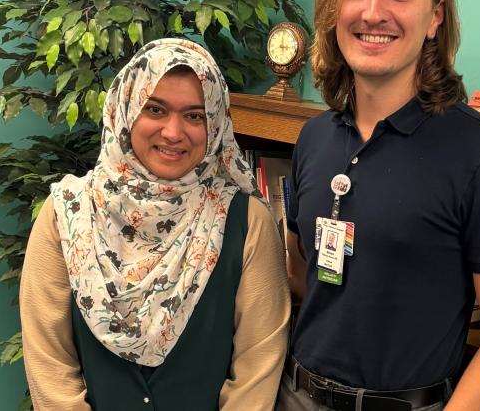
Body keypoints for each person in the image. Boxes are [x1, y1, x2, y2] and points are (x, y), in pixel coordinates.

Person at [278, 0, 480, 411]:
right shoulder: (313, 139)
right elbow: (303, 274)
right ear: (335, 8)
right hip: (294, 396)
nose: (374, 11)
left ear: (435, 16)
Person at [20, 38, 290, 410]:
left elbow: (258, 364)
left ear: (215, 125)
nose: (174, 133)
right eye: (156, 109)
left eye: (195, 115)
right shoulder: (66, 214)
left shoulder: (246, 222)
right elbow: (50, 363)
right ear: (126, 111)